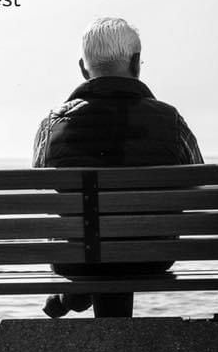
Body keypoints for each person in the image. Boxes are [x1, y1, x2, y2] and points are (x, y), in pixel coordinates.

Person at [33, 16, 203, 318]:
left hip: (76, 257)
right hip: (152, 255)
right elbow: (198, 186)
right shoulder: (171, 121)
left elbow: (41, 189)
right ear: (136, 63)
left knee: (94, 244)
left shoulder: (53, 123)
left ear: (84, 68)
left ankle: (75, 293)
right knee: (118, 244)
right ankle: (81, 300)